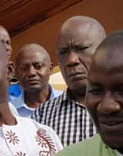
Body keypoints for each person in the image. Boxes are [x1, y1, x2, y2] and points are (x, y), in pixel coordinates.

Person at [32, 16, 104, 147]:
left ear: (104, 52)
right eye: (63, 52)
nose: (71, 60)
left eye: (81, 48)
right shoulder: (41, 116)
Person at [10, 43, 61, 118]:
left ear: (50, 69)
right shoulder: (10, 112)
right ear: (16, 73)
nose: (31, 73)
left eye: (38, 66)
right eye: (24, 68)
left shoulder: (69, 102)